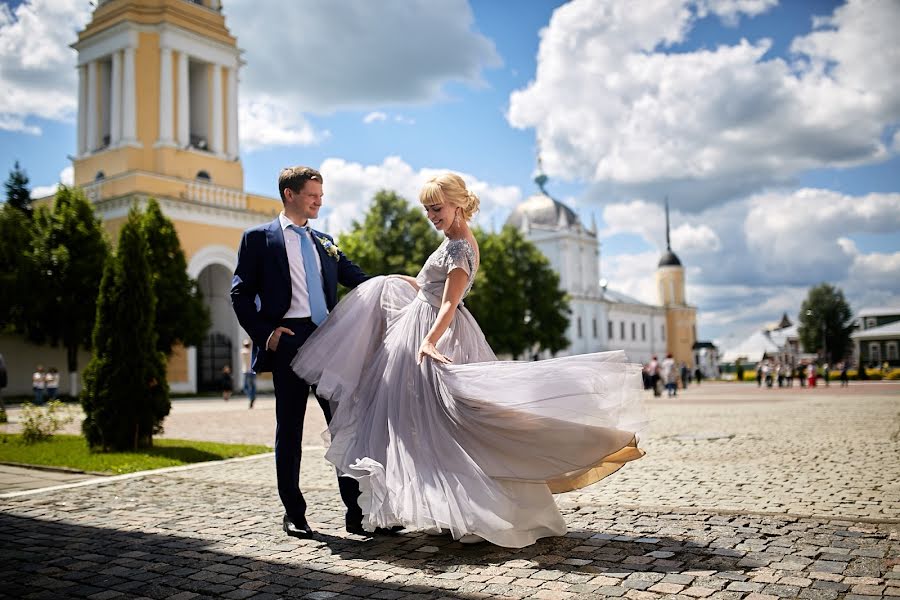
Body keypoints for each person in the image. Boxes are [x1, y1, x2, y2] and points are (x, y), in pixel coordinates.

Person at [292, 173, 647, 548]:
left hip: (432, 334)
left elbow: (449, 303)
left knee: (454, 424)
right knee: (433, 427)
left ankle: (482, 512)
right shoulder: (450, 243)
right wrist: (402, 280)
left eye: (437, 207)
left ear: (457, 205)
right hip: (420, 328)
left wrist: (428, 342)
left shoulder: (460, 247)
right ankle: (454, 511)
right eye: (427, 209)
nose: (431, 215)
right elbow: (433, 288)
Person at [230, 166, 375, 541]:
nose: (319, 201)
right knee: (290, 430)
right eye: (313, 195)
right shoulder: (258, 239)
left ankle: (358, 513)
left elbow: (358, 280)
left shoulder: (325, 241)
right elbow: (240, 293)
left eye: (321, 195)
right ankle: (294, 514)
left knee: (346, 427)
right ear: (289, 194)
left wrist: (403, 285)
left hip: (330, 341)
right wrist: (266, 335)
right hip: (289, 341)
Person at [240, 339, 257, 408]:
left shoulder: (244, 351)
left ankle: (251, 397)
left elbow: (244, 351)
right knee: (252, 386)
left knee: (246, 386)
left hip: (247, 371)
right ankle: (252, 397)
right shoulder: (251, 352)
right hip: (252, 371)